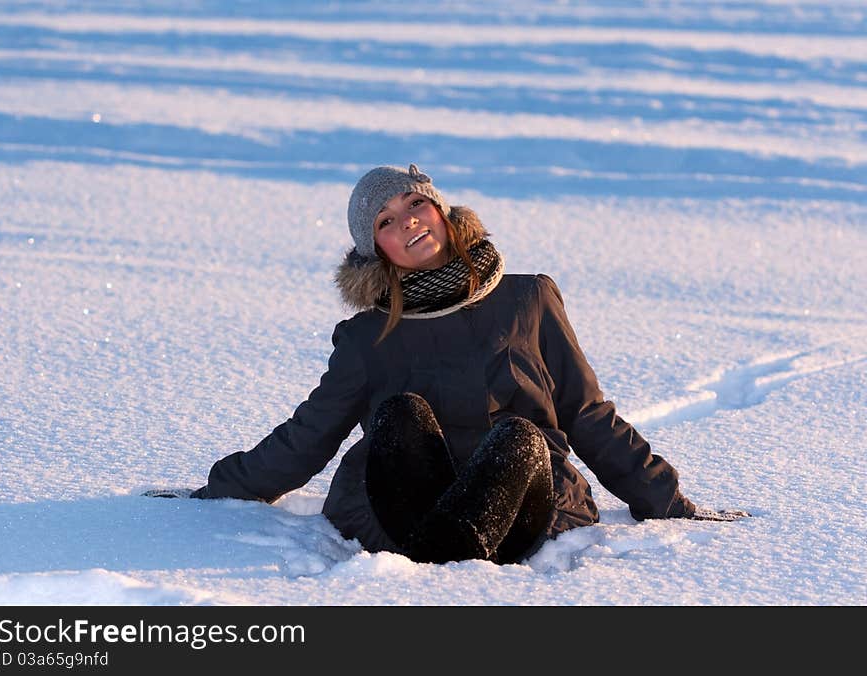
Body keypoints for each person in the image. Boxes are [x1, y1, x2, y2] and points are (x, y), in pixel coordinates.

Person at [145, 163, 748, 564]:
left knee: (521, 435)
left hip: (518, 505)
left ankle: (448, 557)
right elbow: (309, 436)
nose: (407, 221)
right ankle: (450, 556)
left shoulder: (527, 298)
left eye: (415, 205)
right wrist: (216, 490)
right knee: (402, 414)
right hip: (400, 509)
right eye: (386, 221)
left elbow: (586, 413)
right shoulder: (366, 337)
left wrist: (666, 501)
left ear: (441, 212)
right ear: (374, 250)